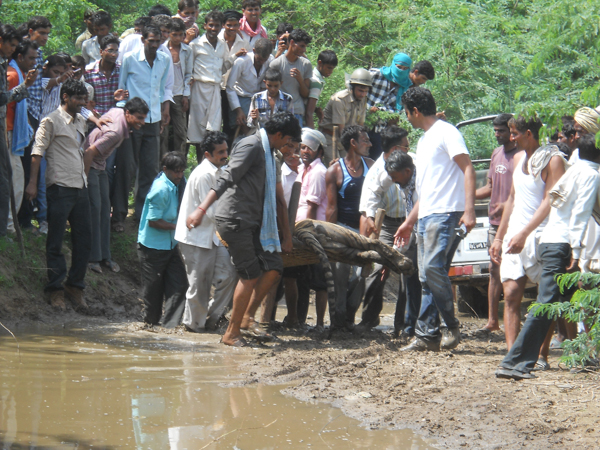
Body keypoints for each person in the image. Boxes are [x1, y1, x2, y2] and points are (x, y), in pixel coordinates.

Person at [186, 112, 301, 347]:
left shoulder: (268, 151)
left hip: (252, 222)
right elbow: (228, 175)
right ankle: (231, 332)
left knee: (273, 266)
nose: (287, 147)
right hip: (235, 219)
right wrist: (201, 208)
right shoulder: (252, 145)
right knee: (249, 274)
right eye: (287, 141)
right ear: (278, 135)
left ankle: (246, 319)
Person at [496, 134, 600, 380]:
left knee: (553, 304)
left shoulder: (574, 169)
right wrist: (575, 250)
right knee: (546, 304)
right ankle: (515, 362)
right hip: (560, 245)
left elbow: (556, 198)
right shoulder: (590, 175)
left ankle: (521, 361)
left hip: (550, 241)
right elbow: (581, 213)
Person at [396, 87, 476, 352]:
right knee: (425, 278)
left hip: (446, 212)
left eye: (407, 113)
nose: (407, 118)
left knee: (432, 268)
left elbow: (468, 168)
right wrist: (409, 221)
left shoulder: (447, 132)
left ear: (415, 111)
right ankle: (426, 335)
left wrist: (470, 209)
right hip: (427, 214)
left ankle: (451, 325)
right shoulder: (425, 139)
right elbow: (427, 189)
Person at [488, 116, 566, 350]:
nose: (511, 138)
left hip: (542, 235)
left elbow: (549, 201)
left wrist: (525, 233)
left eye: (515, 133)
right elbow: (512, 199)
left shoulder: (553, 161)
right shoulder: (519, 158)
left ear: (529, 134)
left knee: (545, 298)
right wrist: (500, 237)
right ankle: (513, 355)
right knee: (511, 293)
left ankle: (541, 356)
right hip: (514, 234)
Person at [25, 79, 91, 311]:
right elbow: (37, 152)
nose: (82, 102)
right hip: (59, 187)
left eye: (84, 99)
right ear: (65, 97)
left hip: (79, 186)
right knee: (55, 240)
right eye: (78, 98)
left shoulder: (81, 120)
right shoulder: (50, 120)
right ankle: (55, 289)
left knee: (84, 240)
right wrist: (33, 183)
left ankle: (75, 286)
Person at [175, 131, 237, 332]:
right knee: (199, 287)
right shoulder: (204, 175)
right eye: (220, 152)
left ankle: (209, 319)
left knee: (229, 274)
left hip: (213, 237)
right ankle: (194, 327)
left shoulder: (221, 170)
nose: (225, 155)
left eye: (226, 150)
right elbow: (211, 212)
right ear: (207, 155)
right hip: (196, 238)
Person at [113, 24, 171, 226]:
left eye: (158, 41)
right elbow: (121, 91)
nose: (155, 44)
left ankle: (142, 215)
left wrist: (165, 110)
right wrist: (123, 119)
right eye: (151, 40)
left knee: (150, 169)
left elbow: (164, 88)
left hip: (153, 121)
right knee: (126, 167)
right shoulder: (130, 59)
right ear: (143, 40)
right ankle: (119, 216)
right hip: (133, 121)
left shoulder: (164, 59)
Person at [84, 97, 149, 274]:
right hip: (91, 167)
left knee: (105, 209)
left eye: (144, 118)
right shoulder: (116, 132)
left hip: (100, 166)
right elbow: (88, 152)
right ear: (128, 114)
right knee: (95, 208)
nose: (142, 122)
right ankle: (92, 257)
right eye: (139, 118)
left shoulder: (120, 112)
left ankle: (105, 256)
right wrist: (83, 179)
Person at [358, 125, 411, 331]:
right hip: (388, 224)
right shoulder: (376, 171)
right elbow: (368, 204)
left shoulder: (412, 160)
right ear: (397, 148)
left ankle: (403, 323)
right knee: (377, 268)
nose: (409, 149)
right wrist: (370, 222)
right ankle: (369, 319)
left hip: (410, 222)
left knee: (409, 269)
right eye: (406, 146)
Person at [325, 125, 374, 331]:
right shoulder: (334, 170)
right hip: (343, 231)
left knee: (360, 277)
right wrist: (328, 237)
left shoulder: (371, 166)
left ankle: (349, 318)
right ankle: (338, 322)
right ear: (353, 143)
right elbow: (331, 208)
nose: (370, 144)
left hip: (365, 232)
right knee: (339, 278)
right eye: (365, 140)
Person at [473, 113, 517, 334]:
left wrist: (507, 206)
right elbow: (489, 187)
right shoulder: (496, 154)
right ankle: (492, 321)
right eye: (495, 131)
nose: (497, 135)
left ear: (512, 130)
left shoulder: (521, 155)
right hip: (494, 224)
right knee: (493, 270)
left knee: (519, 273)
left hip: (516, 223)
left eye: (501, 131)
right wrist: (468, 195)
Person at [138, 152, 188, 328]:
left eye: (182, 171)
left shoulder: (178, 183)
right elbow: (153, 221)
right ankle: (150, 324)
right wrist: (178, 227)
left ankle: (170, 327)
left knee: (180, 285)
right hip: (153, 248)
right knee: (153, 293)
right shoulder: (161, 189)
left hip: (170, 245)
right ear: (165, 170)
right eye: (176, 172)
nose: (180, 176)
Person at [287, 128, 330, 329]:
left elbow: (312, 207)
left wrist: (307, 233)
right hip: (300, 230)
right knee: (299, 277)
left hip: (313, 232)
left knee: (320, 281)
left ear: (319, 152)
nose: (304, 151)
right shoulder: (304, 170)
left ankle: (320, 323)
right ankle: (297, 319)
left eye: (309, 149)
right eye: (302, 147)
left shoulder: (319, 172)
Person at [1, 25, 36, 240]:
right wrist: (23, 87)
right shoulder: (12, 74)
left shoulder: (9, 68)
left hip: (9, 131)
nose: (12, 50)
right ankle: (8, 228)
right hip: (8, 131)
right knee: (10, 180)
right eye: (11, 45)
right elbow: (3, 98)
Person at [19, 16, 51, 232]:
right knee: (24, 167)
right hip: (24, 112)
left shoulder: (37, 52)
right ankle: (22, 219)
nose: (46, 38)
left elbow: (39, 86)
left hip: (35, 113)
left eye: (48, 33)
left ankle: (26, 216)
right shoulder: (23, 50)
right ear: (31, 31)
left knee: (31, 167)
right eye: (42, 33)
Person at [367, 56, 435, 159]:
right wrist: (367, 109)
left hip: (381, 130)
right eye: (399, 67)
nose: (401, 71)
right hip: (363, 124)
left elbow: (399, 110)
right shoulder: (376, 74)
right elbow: (356, 88)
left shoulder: (404, 86)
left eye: (405, 69)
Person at [187, 11, 230, 145]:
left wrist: (235, 58)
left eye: (217, 26)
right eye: (211, 25)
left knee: (214, 127)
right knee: (197, 128)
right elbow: (189, 69)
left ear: (221, 27)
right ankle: (199, 162)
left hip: (215, 89)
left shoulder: (223, 45)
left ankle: (210, 160)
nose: (213, 28)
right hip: (199, 88)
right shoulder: (195, 44)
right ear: (205, 25)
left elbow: (223, 67)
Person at [319, 68, 371, 165]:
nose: (363, 94)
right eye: (360, 90)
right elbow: (340, 129)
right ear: (352, 87)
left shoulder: (363, 99)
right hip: (331, 137)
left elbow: (360, 126)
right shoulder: (339, 100)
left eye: (365, 91)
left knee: (351, 167)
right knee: (334, 167)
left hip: (348, 139)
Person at [226, 38, 273, 135]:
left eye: (265, 59)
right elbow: (230, 87)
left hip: (258, 98)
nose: (262, 62)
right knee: (240, 129)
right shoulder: (241, 62)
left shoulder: (270, 61)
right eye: (260, 59)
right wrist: (238, 111)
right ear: (254, 51)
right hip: (240, 98)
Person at [161, 18, 193, 156]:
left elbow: (188, 74)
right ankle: (163, 161)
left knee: (181, 132)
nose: (178, 38)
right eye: (175, 34)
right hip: (164, 94)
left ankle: (180, 161)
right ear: (169, 34)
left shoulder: (187, 50)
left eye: (181, 35)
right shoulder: (162, 49)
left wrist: (186, 95)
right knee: (163, 131)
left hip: (179, 94)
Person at [268, 28, 312, 127]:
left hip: (297, 111)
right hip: (279, 112)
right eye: (301, 46)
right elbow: (270, 90)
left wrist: (300, 80)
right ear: (292, 42)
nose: (304, 50)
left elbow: (306, 94)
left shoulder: (306, 64)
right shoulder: (276, 64)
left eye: (305, 47)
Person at [219, 10, 248, 138]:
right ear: (223, 25)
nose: (232, 28)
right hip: (216, 87)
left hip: (233, 89)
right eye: (229, 25)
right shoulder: (217, 41)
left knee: (230, 124)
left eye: (235, 25)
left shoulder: (243, 42)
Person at [305, 50, 338, 129]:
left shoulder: (310, 75)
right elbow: (308, 113)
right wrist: (312, 133)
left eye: (332, 68)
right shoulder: (316, 83)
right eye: (329, 68)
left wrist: (316, 109)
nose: (331, 71)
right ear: (320, 63)